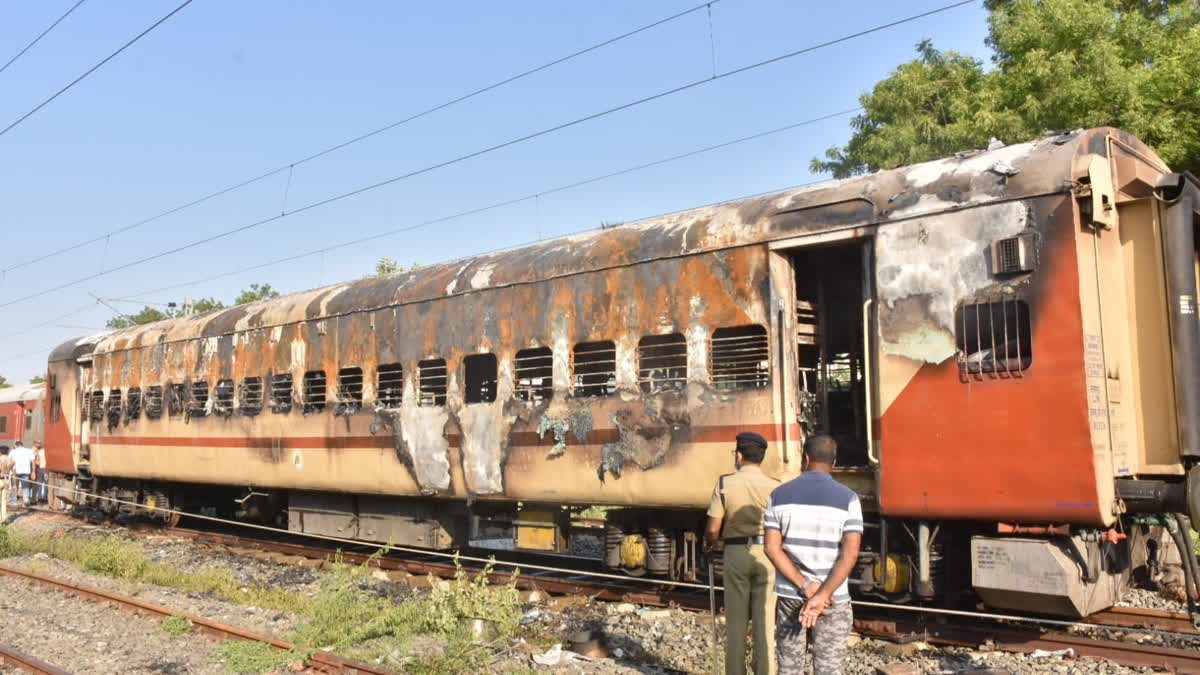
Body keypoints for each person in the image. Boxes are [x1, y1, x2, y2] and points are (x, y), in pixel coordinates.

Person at [763, 434, 863, 675]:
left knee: (789, 667)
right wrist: (822, 594)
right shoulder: (849, 499)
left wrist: (806, 586)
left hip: (791, 595)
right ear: (835, 462)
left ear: (805, 458)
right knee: (828, 669)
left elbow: (771, 548)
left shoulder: (777, 496)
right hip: (833, 599)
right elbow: (849, 555)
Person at [705, 431, 781, 675]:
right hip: (768, 555)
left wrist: (710, 544)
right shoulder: (776, 487)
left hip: (736, 553)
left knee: (736, 625)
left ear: (739, 455)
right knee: (765, 624)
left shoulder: (725, 483)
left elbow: (713, 529)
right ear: (762, 457)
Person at [9, 441, 35, 507]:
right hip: (26, 471)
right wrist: (33, 471)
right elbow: (33, 462)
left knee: (14, 486)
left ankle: (13, 502)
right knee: (25, 487)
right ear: (22, 445)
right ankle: (26, 500)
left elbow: (9, 461)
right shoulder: (29, 451)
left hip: (15, 471)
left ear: (16, 445)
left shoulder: (13, 452)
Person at [0, 446, 13, 521]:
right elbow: (13, 470)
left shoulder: (0, 459)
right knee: (4, 500)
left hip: (0, 479)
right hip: (7, 480)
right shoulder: (11, 460)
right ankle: (4, 517)